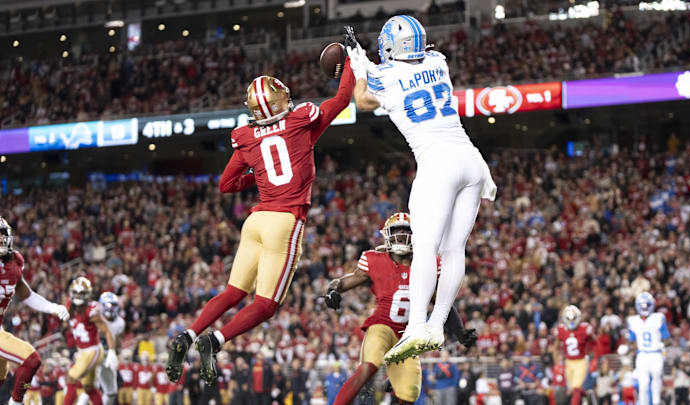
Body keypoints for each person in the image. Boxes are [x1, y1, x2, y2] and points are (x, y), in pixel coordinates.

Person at [166, 49, 356, 386]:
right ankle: (216, 340)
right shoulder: (301, 123)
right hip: (285, 221)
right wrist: (353, 59)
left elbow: (226, 185)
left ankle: (188, 335)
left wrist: (259, 173)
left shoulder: (247, 138)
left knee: (232, 292)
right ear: (279, 100)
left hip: (256, 221)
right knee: (266, 304)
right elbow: (342, 96)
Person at [346, 16, 497, 363]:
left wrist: (358, 65)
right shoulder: (438, 62)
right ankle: (437, 323)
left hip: (437, 163)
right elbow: (410, 68)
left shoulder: (384, 75)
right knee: (454, 249)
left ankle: (417, 326)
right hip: (471, 160)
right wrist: (366, 62)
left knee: (426, 247)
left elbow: (363, 101)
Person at [324, 213, 476, 404]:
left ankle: (394, 385)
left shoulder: (427, 265)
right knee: (368, 367)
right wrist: (331, 290)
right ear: (388, 235)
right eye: (397, 231)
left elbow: (442, 303)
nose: (402, 236)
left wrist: (459, 331)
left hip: (408, 336)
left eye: (407, 231)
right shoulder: (375, 260)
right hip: (381, 326)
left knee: (409, 395)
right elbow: (343, 281)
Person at [0, 217, 69, 405]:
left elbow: (26, 294)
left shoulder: (14, 262)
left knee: (1, 377)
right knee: (31, 359)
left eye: (1, 236)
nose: (0, 240)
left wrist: (52, 307)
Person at [64, 277, 117, 405]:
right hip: (83, 351)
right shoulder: (69, 306)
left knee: (71, 379)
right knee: (89, 388)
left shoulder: (91, 311)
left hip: (92, 351)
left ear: (87, 294)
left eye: (81, 293)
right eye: (76, 293)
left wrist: (111, 351)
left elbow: (106, 331)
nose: (78, 296)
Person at [77, 292, 125, 405]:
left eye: (113, 305)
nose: (111, 308)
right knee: (90, 387)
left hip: (107, 356)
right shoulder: (94, 316)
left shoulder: (120, 323)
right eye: (108, 305)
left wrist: (115, 353)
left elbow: (117, 342)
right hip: (93, 354)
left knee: (111, 392)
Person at [627, 292, 670, 405]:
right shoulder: (633, 321)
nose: (644, 307)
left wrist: (664, 346)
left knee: (655, 380)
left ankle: (656, 402)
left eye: (646, 305)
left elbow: (666, 338)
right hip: (643, 354)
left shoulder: (658, 318)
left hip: (655, 353)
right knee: (643, 384)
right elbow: (631, 341)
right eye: (642, 305)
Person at [554, 305, 594, 405]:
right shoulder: (561, 330)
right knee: (572, 390)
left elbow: (594, 342)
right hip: (568, 362)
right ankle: (588, 396)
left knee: (576, 389)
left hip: (581, 361)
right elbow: (555, 348)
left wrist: (592, 357)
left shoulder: (585, 328)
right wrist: (557, 364)